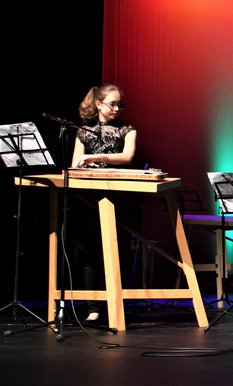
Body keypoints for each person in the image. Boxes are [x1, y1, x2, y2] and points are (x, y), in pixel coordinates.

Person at [71, 84, 137, 321]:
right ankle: (93, 307)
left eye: (121, 104)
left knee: (118, 250)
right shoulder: (83, 131)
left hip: (119, 197)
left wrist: (96, 157)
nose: (118, 108)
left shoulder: (127, 130)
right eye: (113, 103)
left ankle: (117, 305)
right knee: (91, 251)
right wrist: (82, 162)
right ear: (99, 104)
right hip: (89, 197)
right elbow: (75, 163)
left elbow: (127, 157)